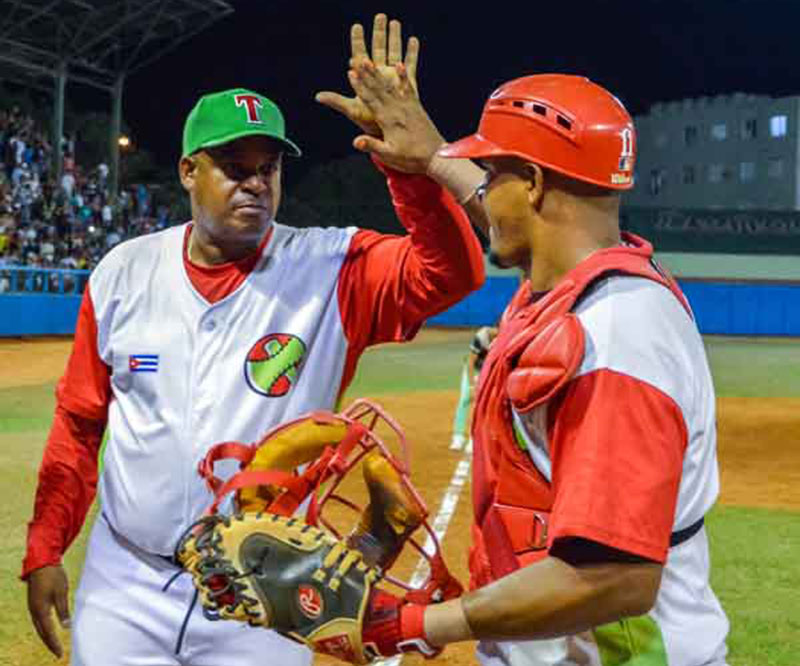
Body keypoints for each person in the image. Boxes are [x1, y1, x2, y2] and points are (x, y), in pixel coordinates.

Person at [22, 14, 484, 666]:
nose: (256, 181)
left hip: (263, 597)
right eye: (233, 165)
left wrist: (412, 171)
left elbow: (451, 273)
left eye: (268, 167)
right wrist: (46, 545)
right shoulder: (123, 272)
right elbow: (78, 422)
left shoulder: (331, 268)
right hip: (125, 580)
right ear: (187, 172)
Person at [330, 59, 730, 665]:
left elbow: (614, 577)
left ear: (536, 184)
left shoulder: (615, 338)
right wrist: (432, 158)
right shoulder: (582, 278)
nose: (483, 189)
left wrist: (414, 622)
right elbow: (511, 221)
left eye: (492, 172)